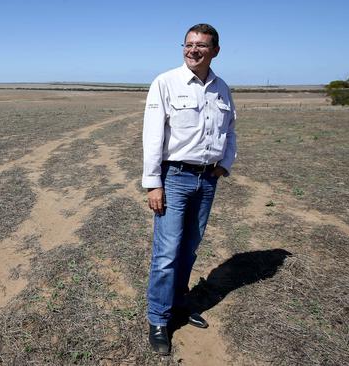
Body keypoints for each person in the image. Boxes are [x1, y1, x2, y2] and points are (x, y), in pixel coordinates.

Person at [142, 23, 237, 355]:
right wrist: (153, 183)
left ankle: (179, 303)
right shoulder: (166, 82)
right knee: (167, 253)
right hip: (175, 177)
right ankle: (158, 318)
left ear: (215, 50)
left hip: (207, 179)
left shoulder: (222, 88)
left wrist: (226, 162)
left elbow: (231, 129)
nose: (193, 50)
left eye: (201, 45)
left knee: (190, 248)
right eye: (188, 44)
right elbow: (153, 136)